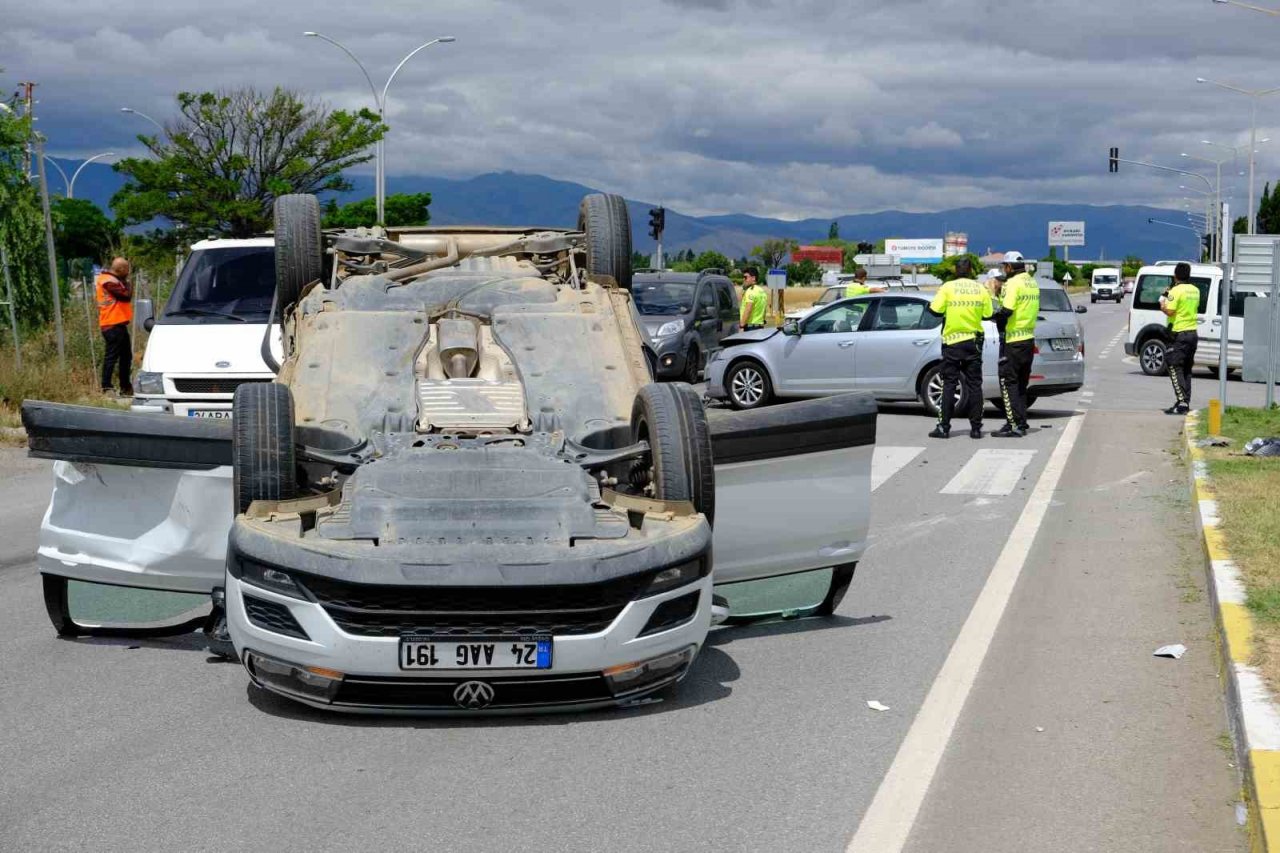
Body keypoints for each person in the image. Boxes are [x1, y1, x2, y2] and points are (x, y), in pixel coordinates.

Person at [926, 257, 992, 439]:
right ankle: (976, 428)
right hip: (973, 342)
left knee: (949, 384)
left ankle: (944, 427)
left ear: (956, 270)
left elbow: (935, 311)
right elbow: (988, 314)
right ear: (971, 271)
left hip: (952, 343)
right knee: (975, 386)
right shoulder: (980, 288)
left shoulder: (948, 287)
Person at [990, 250, 1039, 437]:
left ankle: (1014, 425)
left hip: (1013, 340)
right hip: (1028, 339)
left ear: (1009, 267)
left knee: (1008, 382)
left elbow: (1007, 310)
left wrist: (992, 315)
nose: (1004, 270)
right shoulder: (1031, 282)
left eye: (1005, 267)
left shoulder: (1012, 283)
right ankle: (1021, 422)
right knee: (1020, 385)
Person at [1161, 261, 1200, 415]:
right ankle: (1184, 401)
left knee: (1173, 366)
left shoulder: (1175, 291)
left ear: (1175, 275)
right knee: (1186, 369)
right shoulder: (1195, 290)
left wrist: (1163, 305)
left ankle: (1182, 402)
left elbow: (1170, 311)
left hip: (1179, 333)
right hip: (1192, 333)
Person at [96, 257, 134, 396]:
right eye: (127, 269)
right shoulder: (108, 280)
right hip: (111, 323)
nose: (128, 272)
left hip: (119, 323)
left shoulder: (113, 280)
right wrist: (128, 284)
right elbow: (125, 296)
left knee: (126, 357)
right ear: (121, 269)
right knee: (111, 357)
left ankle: (125, 387)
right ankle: (106, 387)